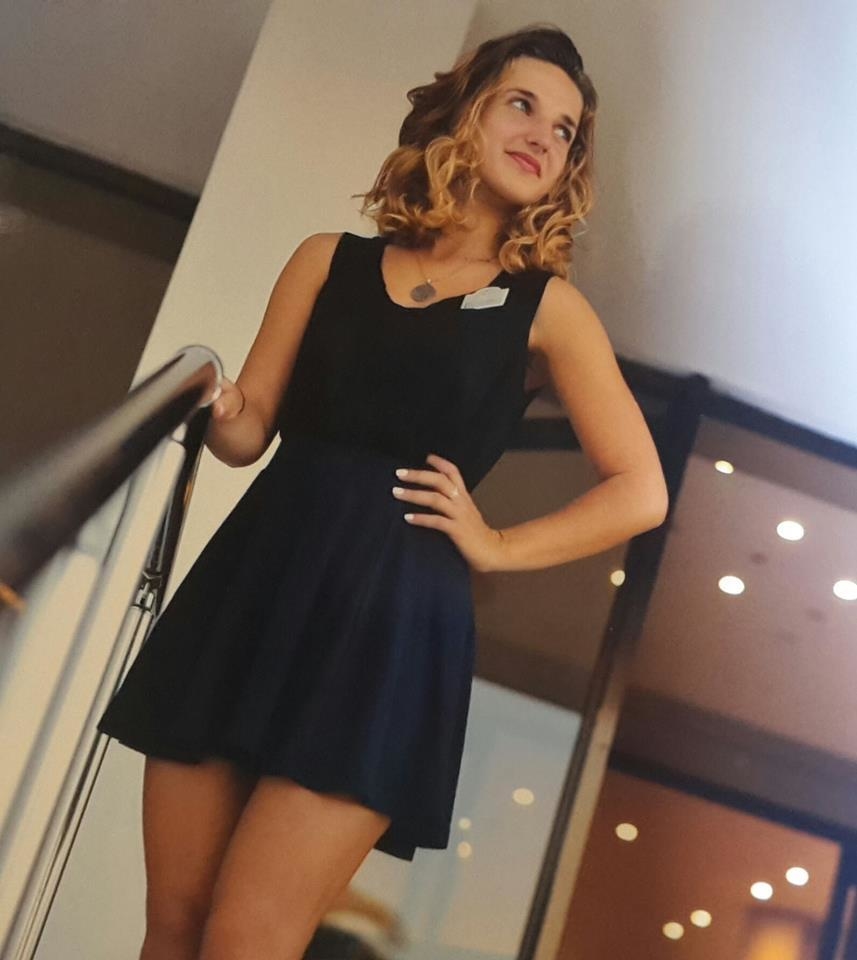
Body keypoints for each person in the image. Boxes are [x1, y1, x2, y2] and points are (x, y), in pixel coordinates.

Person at [96, 24, 668, 960]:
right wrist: (216, 400)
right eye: (522, 105)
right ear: (465, 110)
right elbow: (247, 434)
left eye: (565, 130)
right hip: (255, 587)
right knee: (176, 922)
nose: (543, 135)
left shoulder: (547, 311)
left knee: (248, 937)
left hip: (390, 629)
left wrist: (498, 545)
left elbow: (640, 490)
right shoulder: (328, 261)